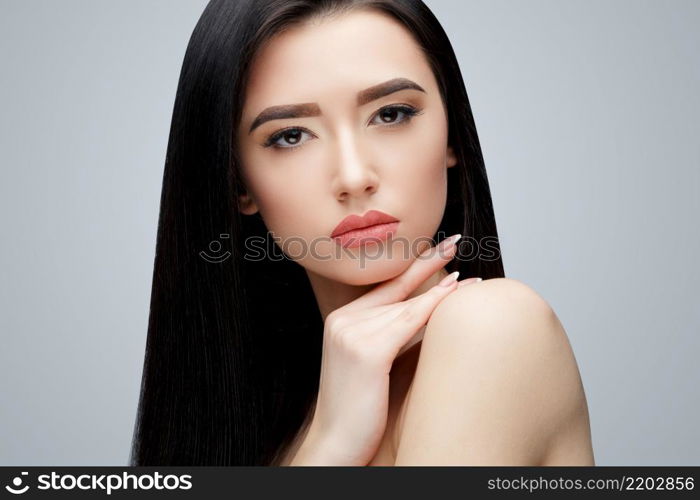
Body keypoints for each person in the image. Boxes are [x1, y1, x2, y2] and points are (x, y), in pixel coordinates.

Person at [130, 0, 594, 466]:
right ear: (238, 183)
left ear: (451, 134)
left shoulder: (493, 327)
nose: (354, 177)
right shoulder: (275, 422)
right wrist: (329, 444)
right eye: (290, 135)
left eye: (391, 114)